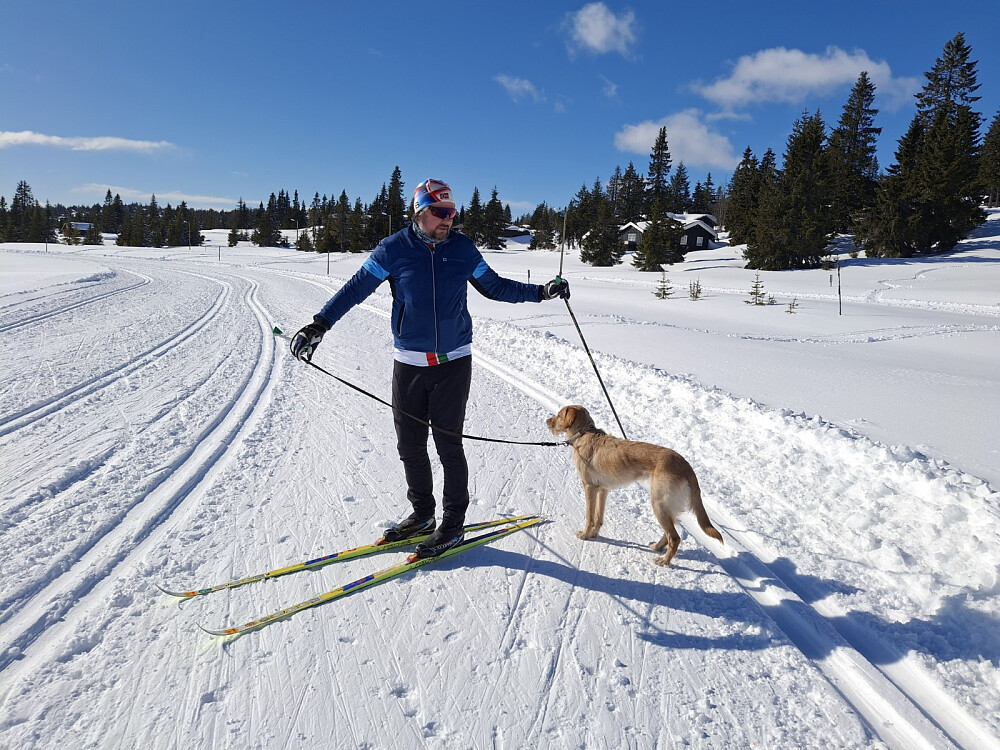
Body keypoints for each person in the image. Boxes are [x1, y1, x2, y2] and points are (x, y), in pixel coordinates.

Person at [290, 179, 569, 558]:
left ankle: (452, 525)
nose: (448, 221)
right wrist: (319, 324)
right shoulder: (393, 250)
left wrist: (541, 292)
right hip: (409, 363)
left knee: (448, 446)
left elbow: (495, 287)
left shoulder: (464, 249)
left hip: (454, 363)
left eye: (452, 213)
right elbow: (356, 288)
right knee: (410, 445)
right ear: (420, 212)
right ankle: (423, 515)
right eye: (440, 213)